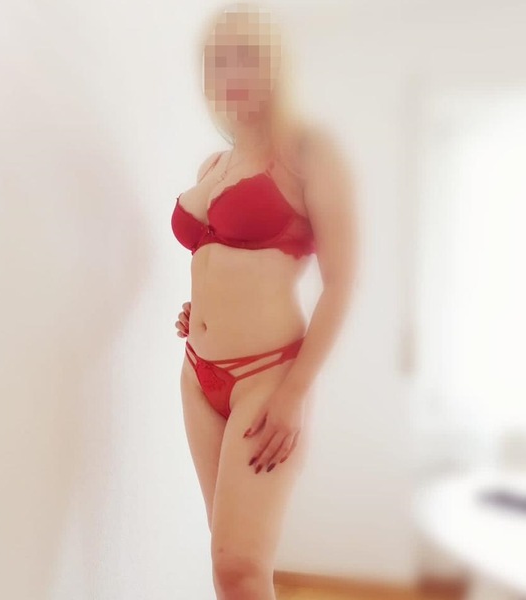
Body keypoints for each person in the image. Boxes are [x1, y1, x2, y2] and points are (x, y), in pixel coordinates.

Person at [170, 3, 358, 598]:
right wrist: (199, 310)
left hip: (265, 376)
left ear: (276, 64)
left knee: (240, 566)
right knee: (226, 558)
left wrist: (294, 393)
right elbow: (219, 258)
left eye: (246, 56)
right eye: (218, 60)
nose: (231, 73)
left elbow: (342, 282)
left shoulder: (309, 151)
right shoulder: (215, 163)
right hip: (198, 377)